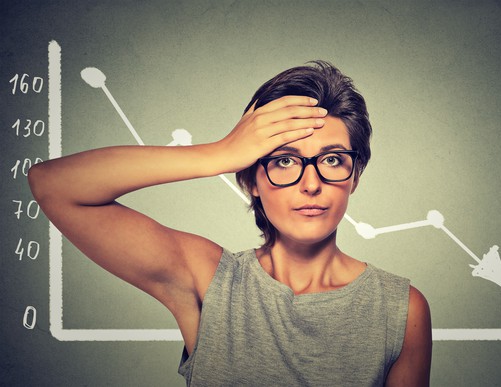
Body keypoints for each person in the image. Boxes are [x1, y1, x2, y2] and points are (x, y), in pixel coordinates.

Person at [28, 61, 431, 386]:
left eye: (331, 160)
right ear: (250, 179)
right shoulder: (210, 280)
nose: (311, 184)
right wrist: (218, 153)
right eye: (284, 160)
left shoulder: (401, 309)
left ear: (354, 176)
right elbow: (53, 185)